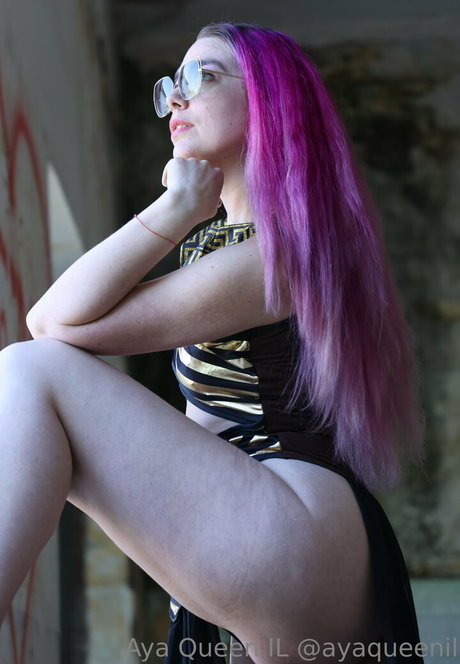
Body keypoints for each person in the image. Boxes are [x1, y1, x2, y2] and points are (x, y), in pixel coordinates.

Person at [0, 22, 425, 664]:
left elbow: (50, 325)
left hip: (290, 520)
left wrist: (173, 209)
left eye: (203, 77)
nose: (175, 97)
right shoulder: (257, 248)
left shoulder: (274, 255)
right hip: (301, 539)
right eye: (171, 83)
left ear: (268, 103)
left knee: (30, 371)